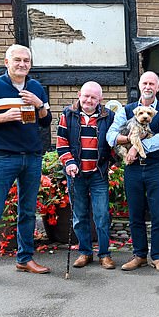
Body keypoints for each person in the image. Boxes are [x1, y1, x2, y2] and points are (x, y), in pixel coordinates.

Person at [0, 44, 52, 288]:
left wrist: (39, 104)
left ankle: (25, 258)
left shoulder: (35, 87)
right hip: (4, 157)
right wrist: (2, 117)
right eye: (17, 60)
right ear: (7, 62)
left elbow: (46, 122)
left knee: (27, 212)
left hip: (32, 157)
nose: (22, 64)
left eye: (26, 60)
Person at [106, 71, 159, 273]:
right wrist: (130, 140)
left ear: (158, 87)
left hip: (156, 168)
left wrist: (137, 147)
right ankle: (139, 255)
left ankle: (158, 256)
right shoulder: (127, 110)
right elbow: (111, 135)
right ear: (139, 85)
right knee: (135, 213)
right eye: (145, 82)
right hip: (132, 169)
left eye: (152, 83)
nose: (148, 86)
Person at [56, 81, 116, 270]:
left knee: (101, 215)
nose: (89, 100)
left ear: (100, 99)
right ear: (79, 95)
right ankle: (85, 252)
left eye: (93, 97)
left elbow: (114, 143)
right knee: (80, 216)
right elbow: (61, 142)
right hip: (77, 174)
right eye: (86, 96)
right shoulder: (68, 114)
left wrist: (112, 163)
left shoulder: (109, 116)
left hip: (98, 173)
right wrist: (69, 162)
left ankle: (104, 254)